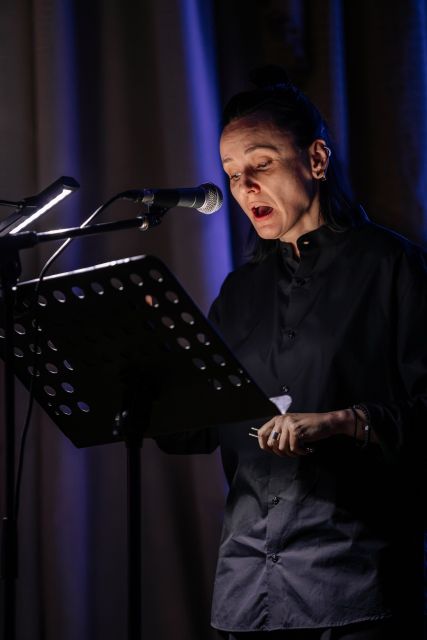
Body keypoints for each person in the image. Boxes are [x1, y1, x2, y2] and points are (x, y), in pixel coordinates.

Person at [159, 67, 427, 639]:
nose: (244, 187)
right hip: (247, 589)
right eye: (232, 174)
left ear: (317, 160)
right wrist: (145, 361)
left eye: (261, 165)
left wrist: (347, 421)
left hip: (355, 584)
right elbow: (193, 430)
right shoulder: (239, 293)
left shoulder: (392, 266)